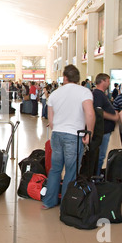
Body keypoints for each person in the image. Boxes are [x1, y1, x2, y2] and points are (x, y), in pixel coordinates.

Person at [42, 65, 95, 210]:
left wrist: (59, 128)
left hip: (57, 135)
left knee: (55, 169)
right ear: (77, 78)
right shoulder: (84, 92)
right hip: (74, 135)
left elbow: (50, 121)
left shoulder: (54, 94)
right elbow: (90, 114)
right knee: (71, 171)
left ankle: (48, 201)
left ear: (65, 77)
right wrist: (88, 133)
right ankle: (66, 204)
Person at [92, 73, 119, 175]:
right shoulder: (98, 94)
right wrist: (114, 117)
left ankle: (97, 174)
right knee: (100, 156)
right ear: (103, 81)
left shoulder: (101, 94)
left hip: (105, 130)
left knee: (100, 155)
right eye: (108, 81)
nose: (108, 83)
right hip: (102, 130)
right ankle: (96, 175)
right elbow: (98, 111)